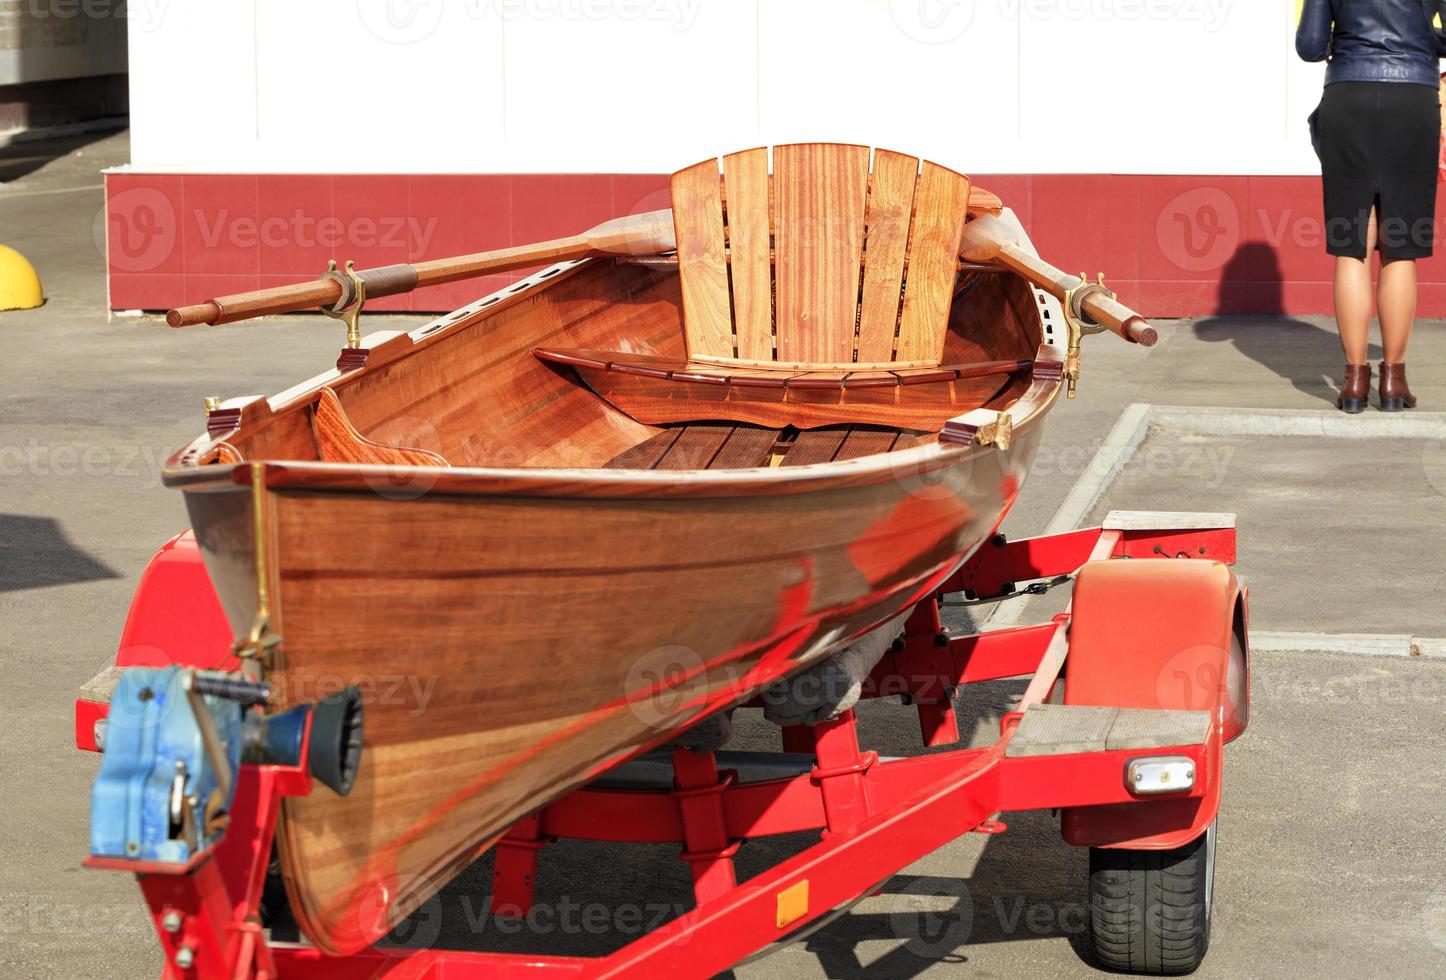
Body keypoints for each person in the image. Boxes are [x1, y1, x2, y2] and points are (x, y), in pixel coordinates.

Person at [1296, 0, 1446, 412]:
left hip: (1350, 95)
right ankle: (1394, 382)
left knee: (1352, 245)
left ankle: (1354, 382)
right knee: (1400, 246)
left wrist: (1345, 42)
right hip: (1413, 98)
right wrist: (1422, 40)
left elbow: (1309, 46)